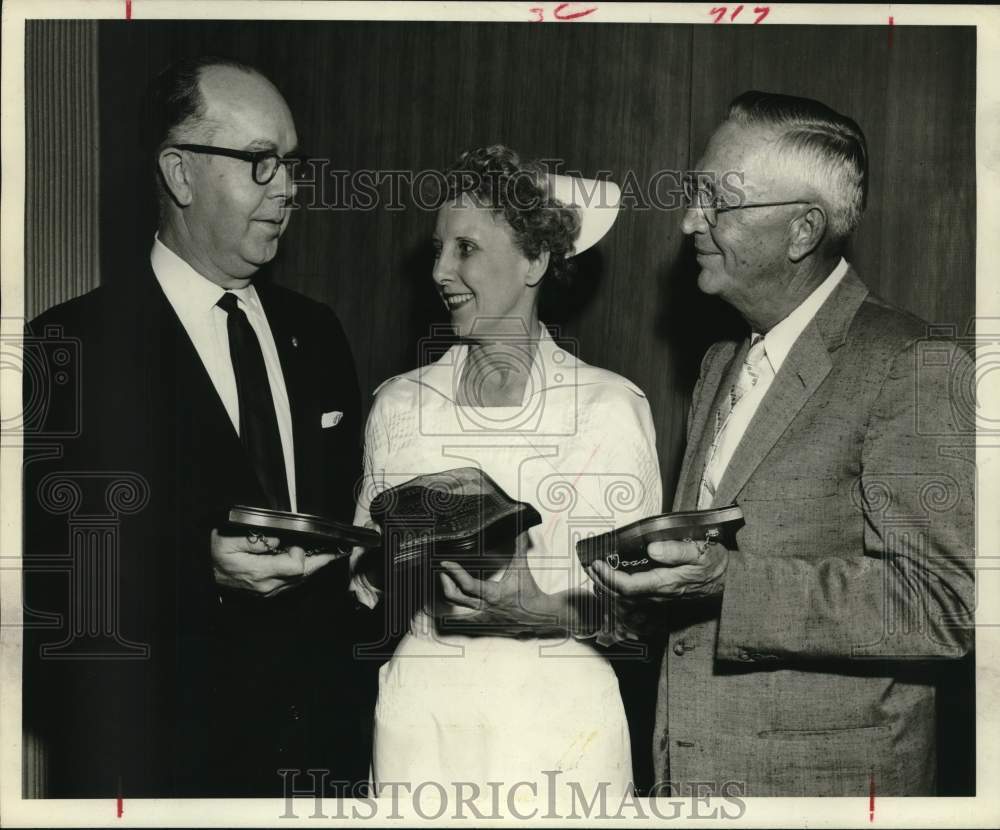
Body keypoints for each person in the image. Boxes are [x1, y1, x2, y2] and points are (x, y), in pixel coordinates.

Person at [589, 91, 975, 796]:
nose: (688, 221)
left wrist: (729, 586)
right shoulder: (718, 367)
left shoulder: (912, 362)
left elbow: (943, 602)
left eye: (716, 201)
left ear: (802, 230)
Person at [22, 56, 372, 797]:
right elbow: (48, 578)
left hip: (317, 770)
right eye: (259, 163)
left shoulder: (319, 332)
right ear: (180, 175)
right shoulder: (71, 347)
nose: (289, 188)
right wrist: (196, 569)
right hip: (159, 771)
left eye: (292, 164)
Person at [349, 145, 662, 799]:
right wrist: (394, 564)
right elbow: (366, 587)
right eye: (438, 248)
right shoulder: (400, 405)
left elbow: (637, 611)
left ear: (536, 260)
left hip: (560, 721)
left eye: (466, 248)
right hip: (424, 720)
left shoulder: (609, 408)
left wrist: (539, 611)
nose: (439, 270)